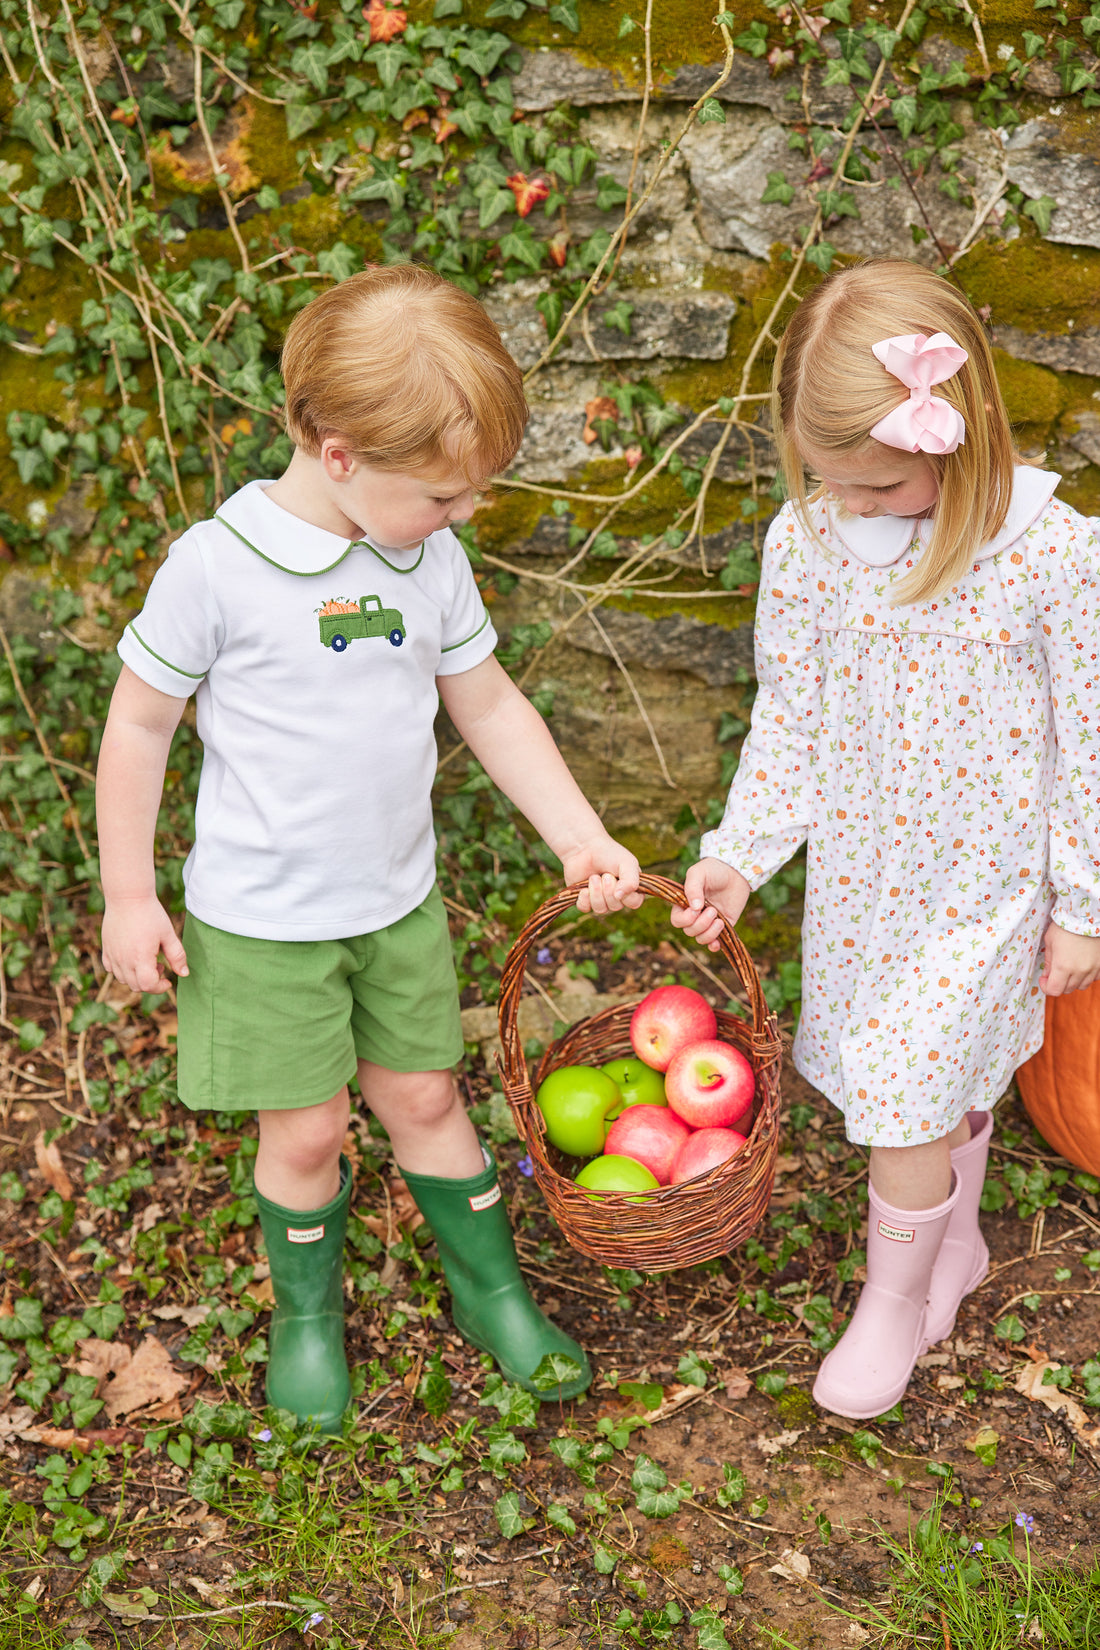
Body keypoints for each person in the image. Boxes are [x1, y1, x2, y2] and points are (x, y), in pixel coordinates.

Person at [96, 263, 642, 1433]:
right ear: (337, 452)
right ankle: (306, 1319)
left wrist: (576, 832)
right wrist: (128, 894)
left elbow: (486, 703)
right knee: (301, 1130)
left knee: (425, 1097)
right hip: (260, 923)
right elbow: (139, 721)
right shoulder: (218, 567)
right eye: (442, 497)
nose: (460, 519)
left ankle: (489, 1289)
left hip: (395, 905)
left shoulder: (424, 561)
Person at [672, 259, 1100, 1420]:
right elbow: (791, 717)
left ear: (948, 444)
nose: (850, 504)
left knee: (910, 1094)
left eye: (872, 484)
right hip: (868, 883)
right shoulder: (807, 546)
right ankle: (949, 1244)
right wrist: (740, 852)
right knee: (933, 1084)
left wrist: (1080, 903)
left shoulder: (1055, 556)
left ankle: (892, 1303)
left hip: (984, 888)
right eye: (832, 482)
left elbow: (1089, 741)